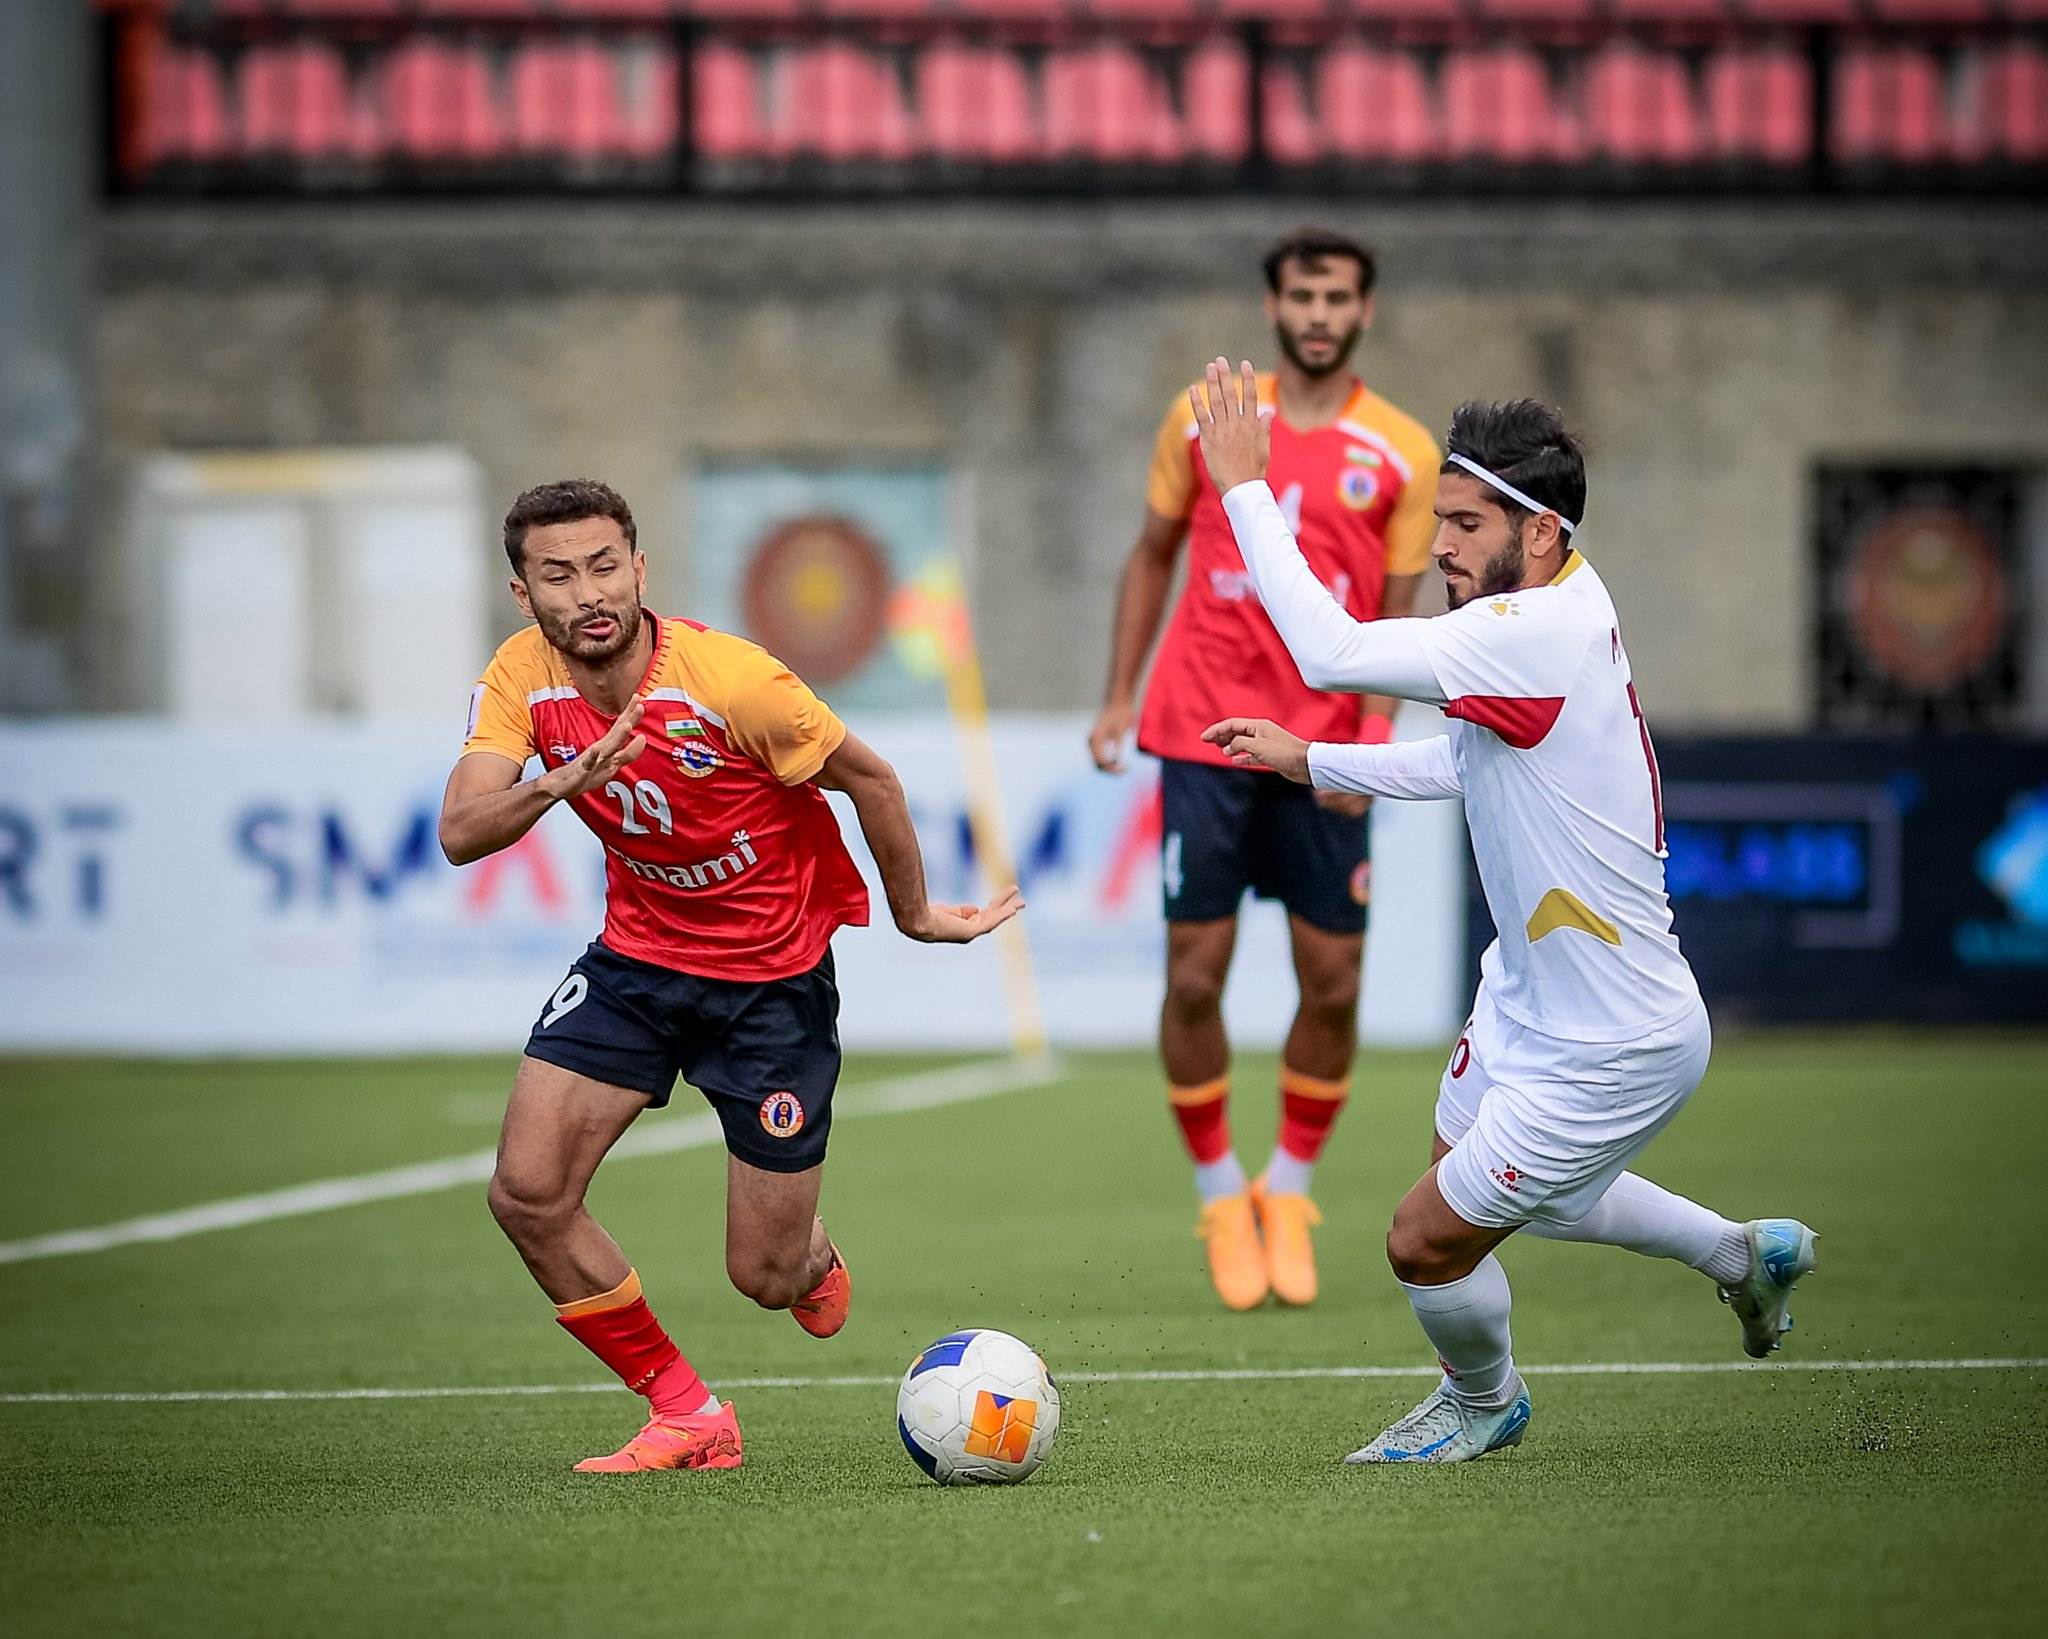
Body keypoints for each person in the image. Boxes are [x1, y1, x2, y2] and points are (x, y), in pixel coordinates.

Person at [1190, 363, 1817, 1463]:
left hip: (1613, 1042)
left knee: (1421, 1240)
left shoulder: (1525, 632)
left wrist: (1245, 486)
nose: (1439, 543)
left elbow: (1328, 650)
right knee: (1492, 1189)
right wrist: (1319, 759)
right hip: (1526, 1001)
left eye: (1465, 523)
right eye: (1439, 517)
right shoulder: (1546, 611)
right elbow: (1472, 760)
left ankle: (1483, 1401)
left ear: (1538, 534)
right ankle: (1737, 1254)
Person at [440, 479, 1020, 1473]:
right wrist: (553, 782)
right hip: (636, 964)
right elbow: (460, 831)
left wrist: (915, 914)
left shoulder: (731, 680)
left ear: (639, 569)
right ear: (522, 592)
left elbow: (869, 778)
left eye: (604, 566)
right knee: (526, 1192)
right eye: (558, 574)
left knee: (761, 1274)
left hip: (769, 989)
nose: (587, 592)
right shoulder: (520, 676)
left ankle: (808, 1257)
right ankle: (687, 1412)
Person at [1088, 227, 1440, 1312]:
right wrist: (1116, 694)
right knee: (1193, 973)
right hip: (1199, 726)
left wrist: (1369, 739)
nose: (1319, 312)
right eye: (1301, 294)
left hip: (1324, 747)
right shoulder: (1203, 417)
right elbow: (1151, 554)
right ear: (1273, 306)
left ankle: (1284, 1190)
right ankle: (1216, 1193)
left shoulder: (1402, 451)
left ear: (1363, 311)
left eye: (1337, 295)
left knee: (1329, 983)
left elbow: (1392, 609)